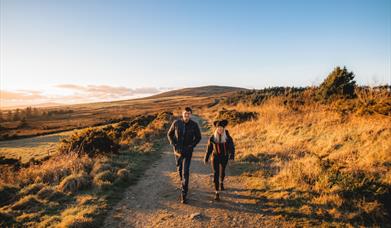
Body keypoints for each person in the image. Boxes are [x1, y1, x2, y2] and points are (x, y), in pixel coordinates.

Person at [167, 107, 201, 204]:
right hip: (178, 151)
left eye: (189, 113)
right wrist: (174, 144)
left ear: (191, 115)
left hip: (188, 151)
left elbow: (198, 137)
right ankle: (183, 182)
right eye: (185, 113)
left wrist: (192, 145)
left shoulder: (194, 125)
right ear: (182, 114)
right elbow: (169, 134)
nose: (187, 115)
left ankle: (184, 192)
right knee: (179, 169)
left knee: (186, 171)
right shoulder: (176, 123)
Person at [204, 119, 235, 201]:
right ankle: (217, 192)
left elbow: (232, 148)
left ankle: (221, 182)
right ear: (216, 128)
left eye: (221, 128)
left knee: (223, 172)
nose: (220, 129)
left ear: (224, 129)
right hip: (215, 157)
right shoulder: (212, 138)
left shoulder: (227, 138)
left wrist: (231, 157)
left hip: (224, 157)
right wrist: (206, 158)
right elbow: (209, 149)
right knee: (215, 173)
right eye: (218, 128)